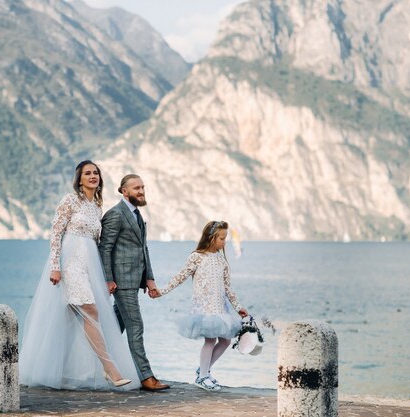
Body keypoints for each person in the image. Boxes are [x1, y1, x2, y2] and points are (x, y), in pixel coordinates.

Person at [19, 161, 139, 390]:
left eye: (96, 173)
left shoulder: (96, 207)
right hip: (70, 260)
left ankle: (41, 365)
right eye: (87, 173)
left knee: (65, 318)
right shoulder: (70, 200)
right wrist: (55, 265)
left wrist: (105, 275)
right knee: (91, 310)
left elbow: (97, 242)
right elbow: (56, 233)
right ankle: (110, 368)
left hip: (89, 263)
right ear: (79, 179)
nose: (92, 176)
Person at [150, 220, 248, 391]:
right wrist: (162, 291)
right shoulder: (197, 257)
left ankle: (203, 370)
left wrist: (239, 307)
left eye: (225, 239)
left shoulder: (221, 261)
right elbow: (180, 277)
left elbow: (227, 288)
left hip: (220, 308)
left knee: (226, 341)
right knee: (210, 339)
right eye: (222, 239)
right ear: (211, 238)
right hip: (205, 307)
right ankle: (202, 377)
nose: (225, 242)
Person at [98, 174, 170, 391]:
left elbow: (142, 249)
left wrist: (149, 279)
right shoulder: (115, 215)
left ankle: (100, 364)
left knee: (114, 323)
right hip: (121, 281)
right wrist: (108, 280)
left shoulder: (138, 215)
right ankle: (146, 377)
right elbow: (105, 248)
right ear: (123, 191)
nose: (141, 191)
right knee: (136, 326)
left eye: (142, 187)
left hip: (135, 279)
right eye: (136, 188)